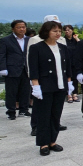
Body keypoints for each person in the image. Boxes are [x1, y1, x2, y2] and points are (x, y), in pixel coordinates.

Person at [28, 21, 73, 156]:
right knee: (44, 116)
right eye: (55, 31)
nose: (58, 33)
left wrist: (69, 82)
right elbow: (33, 69)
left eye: (59, 31)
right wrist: (35, 86)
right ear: (46, 32)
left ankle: (53, 140)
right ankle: (43, 143)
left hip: (60, 86)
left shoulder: (62, 47)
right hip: (45, 87)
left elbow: (68, 67)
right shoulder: (37, 48)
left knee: (55, 115)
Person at [0, 20, 31, 120]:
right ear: (13, 29)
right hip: (12, 69)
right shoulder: (5, 40)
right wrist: (3, 68)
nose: (22, 29)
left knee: (26, 91)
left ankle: (24, 110)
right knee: (11, 92)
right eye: (19, 27)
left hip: (26, 69)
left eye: (23, 27)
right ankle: (11, 111)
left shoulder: (29, 40)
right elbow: (1, 55)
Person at [63, 25, 80, 103]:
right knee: (67, 78)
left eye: (69, 30)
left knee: (75, 79)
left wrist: (77, 39)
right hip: (66, 62)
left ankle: (75, 94)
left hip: (75, 62)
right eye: (65, 30)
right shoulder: (63, 40)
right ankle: (68, 95)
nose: (67, 32)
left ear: (72, 30)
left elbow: (82, 47)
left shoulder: (75, 40)